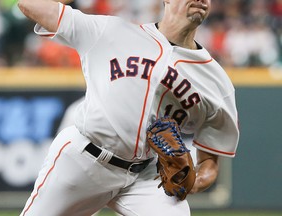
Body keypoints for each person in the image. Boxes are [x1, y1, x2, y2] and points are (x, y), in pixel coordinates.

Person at [18, 0, 240, 215]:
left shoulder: (217, 83)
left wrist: (194, 182)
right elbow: (30, 4)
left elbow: (209, 162)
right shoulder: (110, 31)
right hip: (82, 160)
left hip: (146, 176)